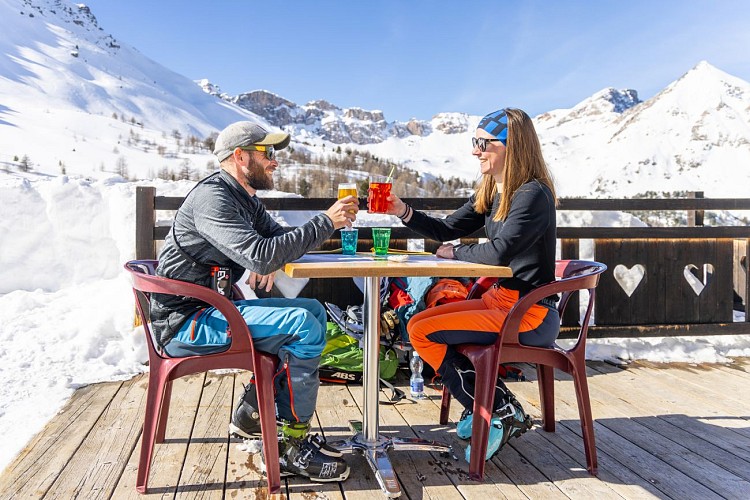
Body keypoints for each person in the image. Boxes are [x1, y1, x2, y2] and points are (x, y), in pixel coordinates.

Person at [150, 121, 358, 482]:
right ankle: (292, 444)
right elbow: (263, 256)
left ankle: (251, 414)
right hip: (185, 321)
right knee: (303, 325)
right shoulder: (213, 198)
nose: (275, 162)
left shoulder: (243, 198)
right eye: (268, 153)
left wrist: (279, 255)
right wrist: (325, 221)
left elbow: (277, 242)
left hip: (211, 308)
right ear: (240, 156)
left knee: (311, 310)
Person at [379, 108, 558, 461]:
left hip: (528, 313)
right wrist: (403, 211)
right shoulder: (496, 190)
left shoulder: (533, 194)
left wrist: (456, 251)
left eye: (482, 143)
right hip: (500, 301)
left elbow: (501, 251)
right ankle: (496, 407)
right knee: (420, 324)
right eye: (473, 142)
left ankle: (495, 410)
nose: (475, 150)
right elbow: (448, 229)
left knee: (423, 330)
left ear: (512, 146)